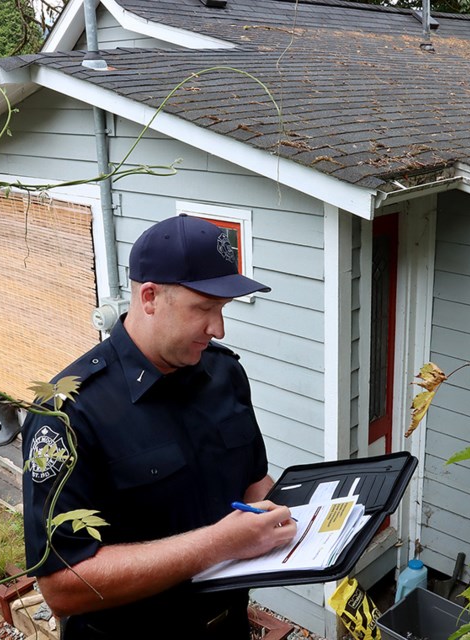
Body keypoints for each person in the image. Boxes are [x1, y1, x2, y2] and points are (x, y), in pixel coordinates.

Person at [21, 214, 297, 638]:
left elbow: (254, 482)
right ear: (149, 297)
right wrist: (220, 543)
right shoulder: (67, 414)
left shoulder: (224, 375)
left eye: (222, 309)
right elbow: (62, 586)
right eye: (203, 308)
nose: (217, 328)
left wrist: (298, 523)